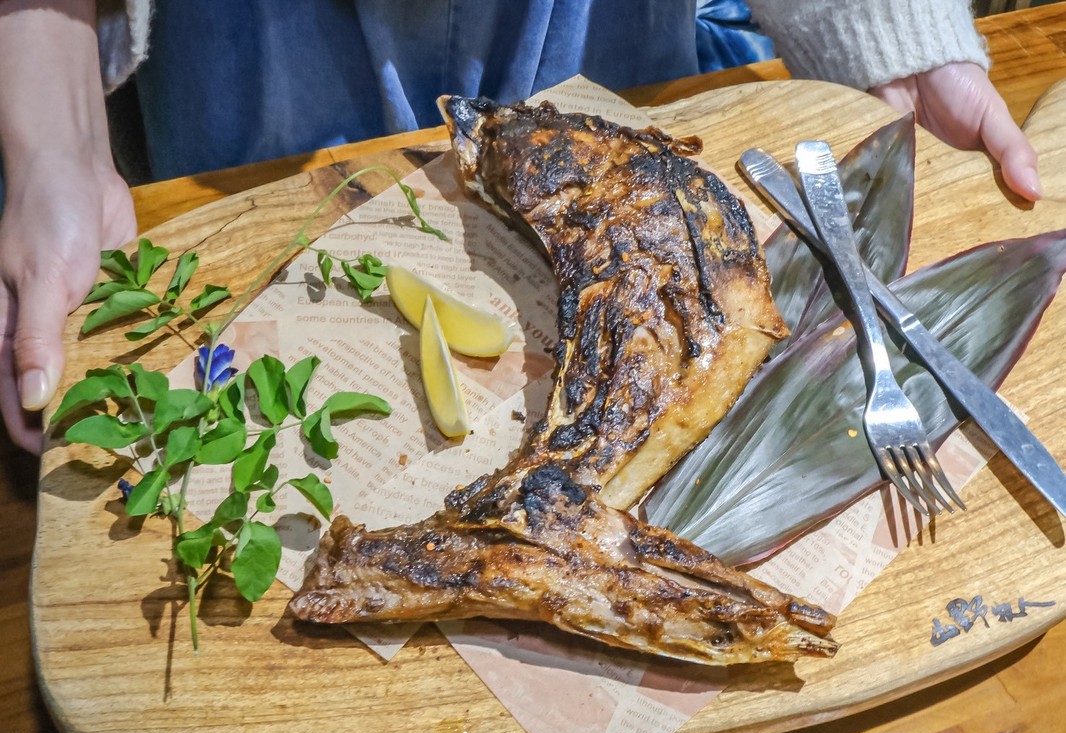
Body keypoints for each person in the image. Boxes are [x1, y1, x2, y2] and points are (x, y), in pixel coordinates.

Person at [0, 0, 1042, 453]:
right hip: (260, 45)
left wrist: (879, 29)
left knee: (648, 340)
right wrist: (51, 135)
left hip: (599, 31)